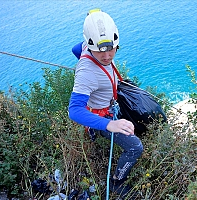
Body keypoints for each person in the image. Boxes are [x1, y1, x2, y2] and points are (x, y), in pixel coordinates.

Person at [68, 9, 143, 198]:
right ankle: (117, 182)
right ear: (91, 45)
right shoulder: (87, 73)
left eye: (111, 49)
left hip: (110, 108)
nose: (107, 56)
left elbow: (77, 49)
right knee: (135, 147)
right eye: (101, 52)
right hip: (101, 117)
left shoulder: (88, 44)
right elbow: (74, 110)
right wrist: (110, 124)